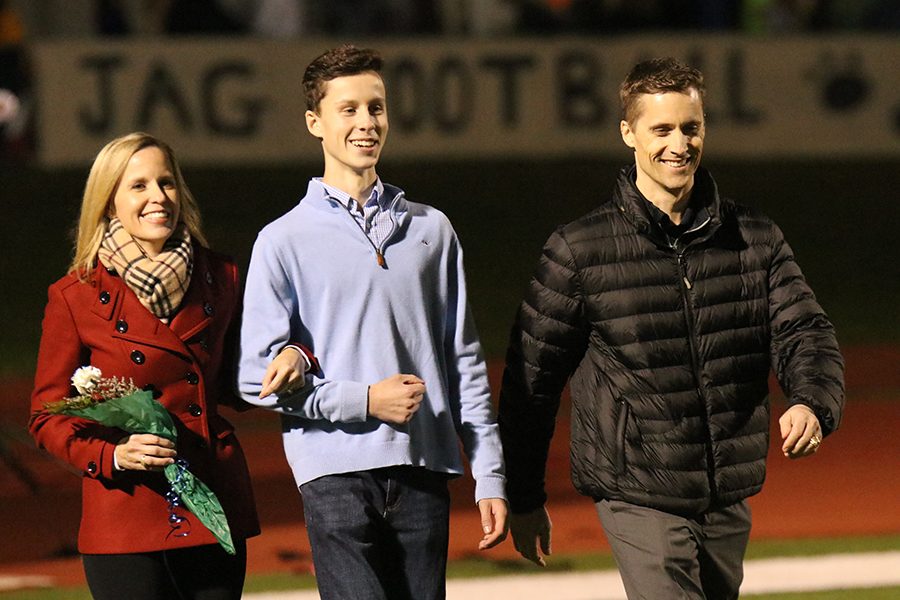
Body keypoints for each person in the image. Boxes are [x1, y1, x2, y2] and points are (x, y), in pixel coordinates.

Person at [498, 57, 845, 599]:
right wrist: (522, 494)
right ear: (628, 134)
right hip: (635, 488)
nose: (678, 144)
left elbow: (805, 331)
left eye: (691, 127)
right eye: (661, 129)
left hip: (725, 488)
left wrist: (813, 401)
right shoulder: (578, 250)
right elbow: (531, 385)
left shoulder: (754, 236)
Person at [238, 44, 508, 600]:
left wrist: (490, 472)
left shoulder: (433, 229)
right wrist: (364, 401)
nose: (367, 123)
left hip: (422, 467)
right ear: (315, 122)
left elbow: (464, 360)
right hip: (332, 473)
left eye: (376, 108)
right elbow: (253, 378)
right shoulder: (282, 239)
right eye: (349, 109)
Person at [28, 132, 303, 600]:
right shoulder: (75, 296)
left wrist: (296, 356)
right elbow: (47, 414)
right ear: (109, 204)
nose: (158, 196)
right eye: (138, 186)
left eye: (167, 182)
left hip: (210, 502)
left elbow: (241, 380)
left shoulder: (222, 277)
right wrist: (111, 456)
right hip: (126, 512)